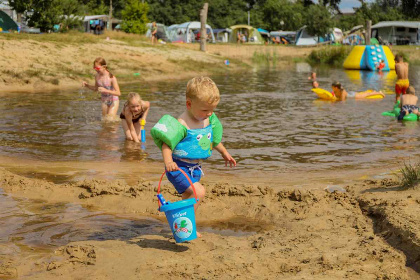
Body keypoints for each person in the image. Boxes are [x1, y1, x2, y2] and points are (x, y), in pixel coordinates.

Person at [151, 77, 236, 238]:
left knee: (189, 198)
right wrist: (168, 162)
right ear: (189, 104)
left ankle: (181, 227)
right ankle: (187, 227)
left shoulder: (206, 119)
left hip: (195, 169)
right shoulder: (182, 124)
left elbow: (210, 140)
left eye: (212, 110)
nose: (209, 114)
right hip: (178, 167)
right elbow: (166, 145)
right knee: (199, 192)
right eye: (205, 110)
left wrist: (224, 152)